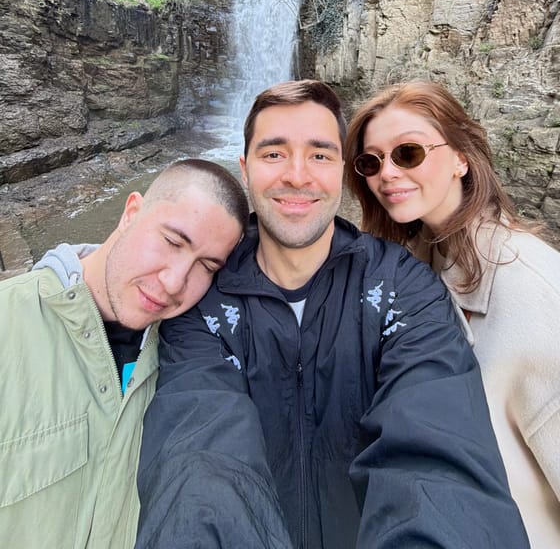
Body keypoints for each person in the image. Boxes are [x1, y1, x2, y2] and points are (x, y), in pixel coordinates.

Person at [135, 80, 530, 549]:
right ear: (245, 170)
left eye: (320, 155)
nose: (297, 176)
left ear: (343, 171)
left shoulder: (402, 287)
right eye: (274, 154)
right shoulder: (203, 302)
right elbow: (198, 456)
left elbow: (436, 457)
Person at [345, 78, 560, 549]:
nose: (386, 174)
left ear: (461, 158)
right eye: (371, 161)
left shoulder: (530, 287)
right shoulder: (419, 272)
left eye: (408, 153)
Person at [0, 158, 249, 549]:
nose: (174, 282)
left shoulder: (191, 361)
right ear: (131, 212)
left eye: (206, 266)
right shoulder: (7, 325)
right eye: (171, 241)